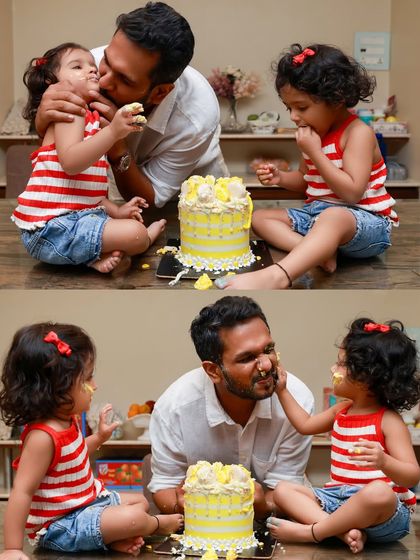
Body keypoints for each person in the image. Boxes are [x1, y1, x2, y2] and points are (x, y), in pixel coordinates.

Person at [0, 322, 183, 560]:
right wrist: (12, 548)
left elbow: (72, 456)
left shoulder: (69, 420)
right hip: (61, 525)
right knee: (135, 518)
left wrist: (99, 437)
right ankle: (156, 525)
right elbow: (22, 492)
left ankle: (113, 538)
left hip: (87, 504)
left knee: (140, 501)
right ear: (57, 387)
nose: (95, 386)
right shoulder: (42, 438)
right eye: (87, 378)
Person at [224, 44, 398, 290]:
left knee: (334, 216)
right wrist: (281, 178)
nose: (294, 116)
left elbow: (352, 193)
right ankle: (319, 253)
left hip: (366, 224)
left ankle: (280, 275)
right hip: (318, 217)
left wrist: (315, 152)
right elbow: (306, 181)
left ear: (336, 99)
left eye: (302, 107)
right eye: (289, 108)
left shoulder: (358, 133)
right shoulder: (313, 134)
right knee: (260, 218)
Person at [35, 2, 226, 209]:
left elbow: (150, 200)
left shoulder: (197, 117)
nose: (102, 81)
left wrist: (117, 145)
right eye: (107, 61)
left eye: (124, 80)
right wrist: (42, 122)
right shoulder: (86, 68)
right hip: (103, 195)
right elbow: (60, 155)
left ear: (160, 93)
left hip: (191, 198)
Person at [148, 296, 314, 519]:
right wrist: (181, 505)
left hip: (276, 526)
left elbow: (286, 490)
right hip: (202, 527)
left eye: (269, 349)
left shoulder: (297, 400)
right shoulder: (173, 408)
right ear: (213, 371)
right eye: (247, 358)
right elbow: (164, 487)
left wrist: (262, 504)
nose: (266, 364)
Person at [267, 318, 420, 554]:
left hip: (383, 516)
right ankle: (343, 533)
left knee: (379, 492)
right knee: (282, 490)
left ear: (366, 377)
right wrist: (282, 391)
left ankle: (313, 532)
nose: (333, 369)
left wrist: (384, 461)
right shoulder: (341, 410)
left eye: (340, 364)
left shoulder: (388, 420)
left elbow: (411, 475)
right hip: (337, 501)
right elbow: (305, 425)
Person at [12, 42, 166, 274]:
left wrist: (117, 211)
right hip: (50, 230)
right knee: (134, 232)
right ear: (53, 84)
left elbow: (83, 191)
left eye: (92, 65)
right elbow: (71, 164)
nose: (92, 69)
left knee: (126, 227)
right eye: (77, 67)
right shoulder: (70, 112)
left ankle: (93, 257)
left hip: (68, 225)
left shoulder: (89, 119)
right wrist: (113, 131)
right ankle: (145, 240)